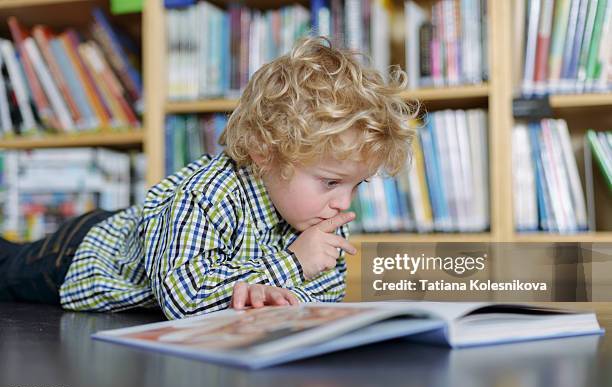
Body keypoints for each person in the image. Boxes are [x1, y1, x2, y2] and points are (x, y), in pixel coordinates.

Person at [0, 36, 414, 319]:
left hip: (130, 239)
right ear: (264, 152)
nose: (344, 203)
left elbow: (323, 296)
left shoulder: (316, 221)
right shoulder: (208, 194)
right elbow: (183, 298)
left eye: (356, 185)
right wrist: (290, 265)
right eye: (330, 182)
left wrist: (273, 293)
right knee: (8, 269)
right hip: (80, 254)